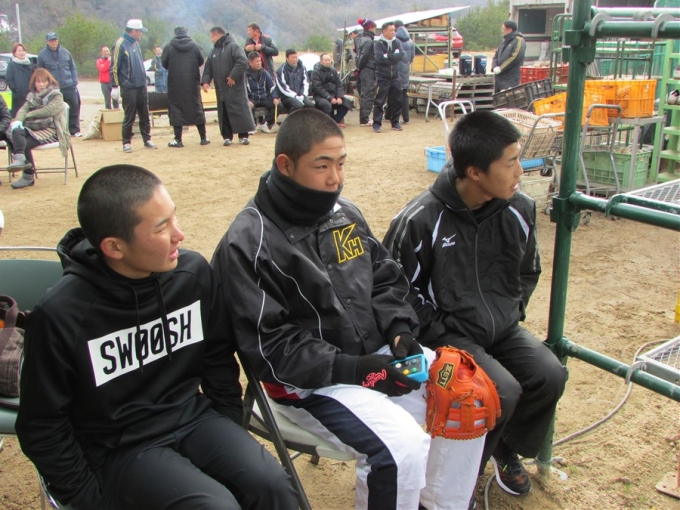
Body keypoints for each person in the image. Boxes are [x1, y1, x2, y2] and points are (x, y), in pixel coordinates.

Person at [212, 108, 486, 510]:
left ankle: (439, 505)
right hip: (306, 385)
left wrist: (400, 331)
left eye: (341, 163)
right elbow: (271, 347)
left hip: (374, 357)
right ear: (285, 165)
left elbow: (385, 278)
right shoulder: (248, 241)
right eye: (322, 166)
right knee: (400, 448)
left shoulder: (345, 213)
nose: (335, 178)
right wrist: (357, 370)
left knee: (467, 395)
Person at [15, 164, 299, 510]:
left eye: (174, 217)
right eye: (162, 228)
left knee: (272, 483)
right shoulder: (61, 315)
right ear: (114, 247)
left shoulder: (192, 275)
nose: (180, 234)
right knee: (215, 505)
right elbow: (41, 424)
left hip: (194, 418)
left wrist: (228, 427)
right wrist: (88, 499)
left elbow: (217, 359)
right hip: (120, 448)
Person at [383, 110, 568, 499]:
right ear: (475, 172)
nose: (520, 171)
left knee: (549, 374)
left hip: (501, 328)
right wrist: (441, 330)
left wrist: (510, 312)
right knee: (500, 390)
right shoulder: (420, 219)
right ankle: (453, 489)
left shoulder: (519, 208)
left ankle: (504, 448)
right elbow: (394, 291)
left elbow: (528, 270)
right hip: (447, 335)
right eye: (511, 162)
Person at [7, 69, 69, 190]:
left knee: (22, 143)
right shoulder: (32, 96)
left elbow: (50, 110)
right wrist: (18, 120)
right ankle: (20, 159)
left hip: (50, 130)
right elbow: (23, 109)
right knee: (16, 130)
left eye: (43, 81)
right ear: (34, 83)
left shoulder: (56, 95)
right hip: (33, 128)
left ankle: (28, 176)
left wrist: (30, 115)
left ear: (49, 81)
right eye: (38, 82)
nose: (41, 84)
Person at [201, 26, 255, 146]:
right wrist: (205, 81)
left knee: (239, 111)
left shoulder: (233, 46)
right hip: (221, 88)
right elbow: (208, 68)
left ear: (216, 35)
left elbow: (242, 61)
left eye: (211, 37)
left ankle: (243, 136)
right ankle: (227, 137)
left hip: (235, 88)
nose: (211, 39)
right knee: (224, 112)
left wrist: (233, 76)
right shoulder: (214, 51)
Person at [110, 19, 157, 153]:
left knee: (144, 114)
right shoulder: (120, 45)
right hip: (129, 87)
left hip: (141, 85)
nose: (141, 34)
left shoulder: (135, 43)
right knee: (129, 116)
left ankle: (147, 139)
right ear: (134, 31)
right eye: (140, 31)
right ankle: (126, 142)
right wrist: (115, 86)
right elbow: (114, 67)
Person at [162, 27, 209, 147]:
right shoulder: (195, 46)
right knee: (196, 107)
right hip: (192, 82)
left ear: (175, 34)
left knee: (176, 109)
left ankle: (178, 140)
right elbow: (201, 61)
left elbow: (164, 63)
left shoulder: (169, 46)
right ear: (187, 33)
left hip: (175, 83)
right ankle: (203, 138)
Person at [37, 32, 81, 137]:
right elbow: (40, 72)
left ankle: (74, 130)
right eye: (51, 40)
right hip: (53, 88)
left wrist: (74, 81)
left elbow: (72, 68)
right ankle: (58, 131)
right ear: (47, 42)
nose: (54, 42)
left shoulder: (65, 52)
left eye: (55, 39)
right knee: (55, 110)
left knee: (74, 107)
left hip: (68, 85)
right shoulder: (42, 55)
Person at [372, 21, 404, 133]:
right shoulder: (378, 44)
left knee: (397, 101)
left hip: (395, 77)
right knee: (379, 101)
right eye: (391, 30)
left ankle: (395, 122)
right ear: (384, 31)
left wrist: (388, 56)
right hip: (382, 77)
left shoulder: (397, 42)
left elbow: (400, 56)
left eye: (394, 30)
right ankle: (377, 124)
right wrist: (393, 56)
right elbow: (380, 59)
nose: (393, 32)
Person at [310, 52, 349, 128]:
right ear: (321, 61)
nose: (328, 62)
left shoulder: (333, 71)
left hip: (334, 94)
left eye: (329, 60)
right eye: (326, 60)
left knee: (346, 103)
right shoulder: (316, 72)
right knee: (326, 104)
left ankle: (334, 121)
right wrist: (330, 98)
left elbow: (339, 85)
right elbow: (318, 88)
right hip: (321, 96)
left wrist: (339, 96)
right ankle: (327, 124)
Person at [245, 51, 279, 134]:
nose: (259, 63)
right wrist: (247, 100)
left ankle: (264, 123)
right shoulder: (245, 75)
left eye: (260, 61)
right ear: (250, 62)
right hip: (252, 98)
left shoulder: (265, 73)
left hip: (264, 98)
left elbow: (272, 87)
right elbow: (243, 90)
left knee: (278, 106)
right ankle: (252, 126)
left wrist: (275, 97)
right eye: (256, 61)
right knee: (247, 105)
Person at [388, 20, 415, 125]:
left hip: (396, 70)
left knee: (394, 94)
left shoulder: (395, 40)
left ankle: (392, 115)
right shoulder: (410, 40)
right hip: (405, 70)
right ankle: (406, 118)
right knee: (404, 93)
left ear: (395, 27)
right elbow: (412, 57)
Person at [492, 20, 526, 93]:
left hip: (510, 79)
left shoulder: (519, 41)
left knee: (508, 98)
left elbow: (515, 58)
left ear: (510, 30)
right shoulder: (504, 41)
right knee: (499, 98)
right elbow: (496, 55)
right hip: (499, 79)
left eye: (503, 29)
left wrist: (501, 68)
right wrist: (494, 66)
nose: (502, 31)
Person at [355, 18, 377, 127]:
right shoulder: (368, 41)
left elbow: (359, 56)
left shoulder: (360, 39)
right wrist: (360, 67)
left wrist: (358, 68)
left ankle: (364, 118)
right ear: (371, 28)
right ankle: (364, 119)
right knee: (368, 94)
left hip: (363, 70)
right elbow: (364, 56)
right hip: (368, 69)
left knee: (364, 94)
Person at [6, 42, 35, 117]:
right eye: (19, 51)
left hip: (30, 94)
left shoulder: (29, 64)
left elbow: (34, 77)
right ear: (14, 53)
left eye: (23, 50)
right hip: (18, 96)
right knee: (19, 115)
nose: (22, 52)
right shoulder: (12, 64)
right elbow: (9, 79)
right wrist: (15, 90)